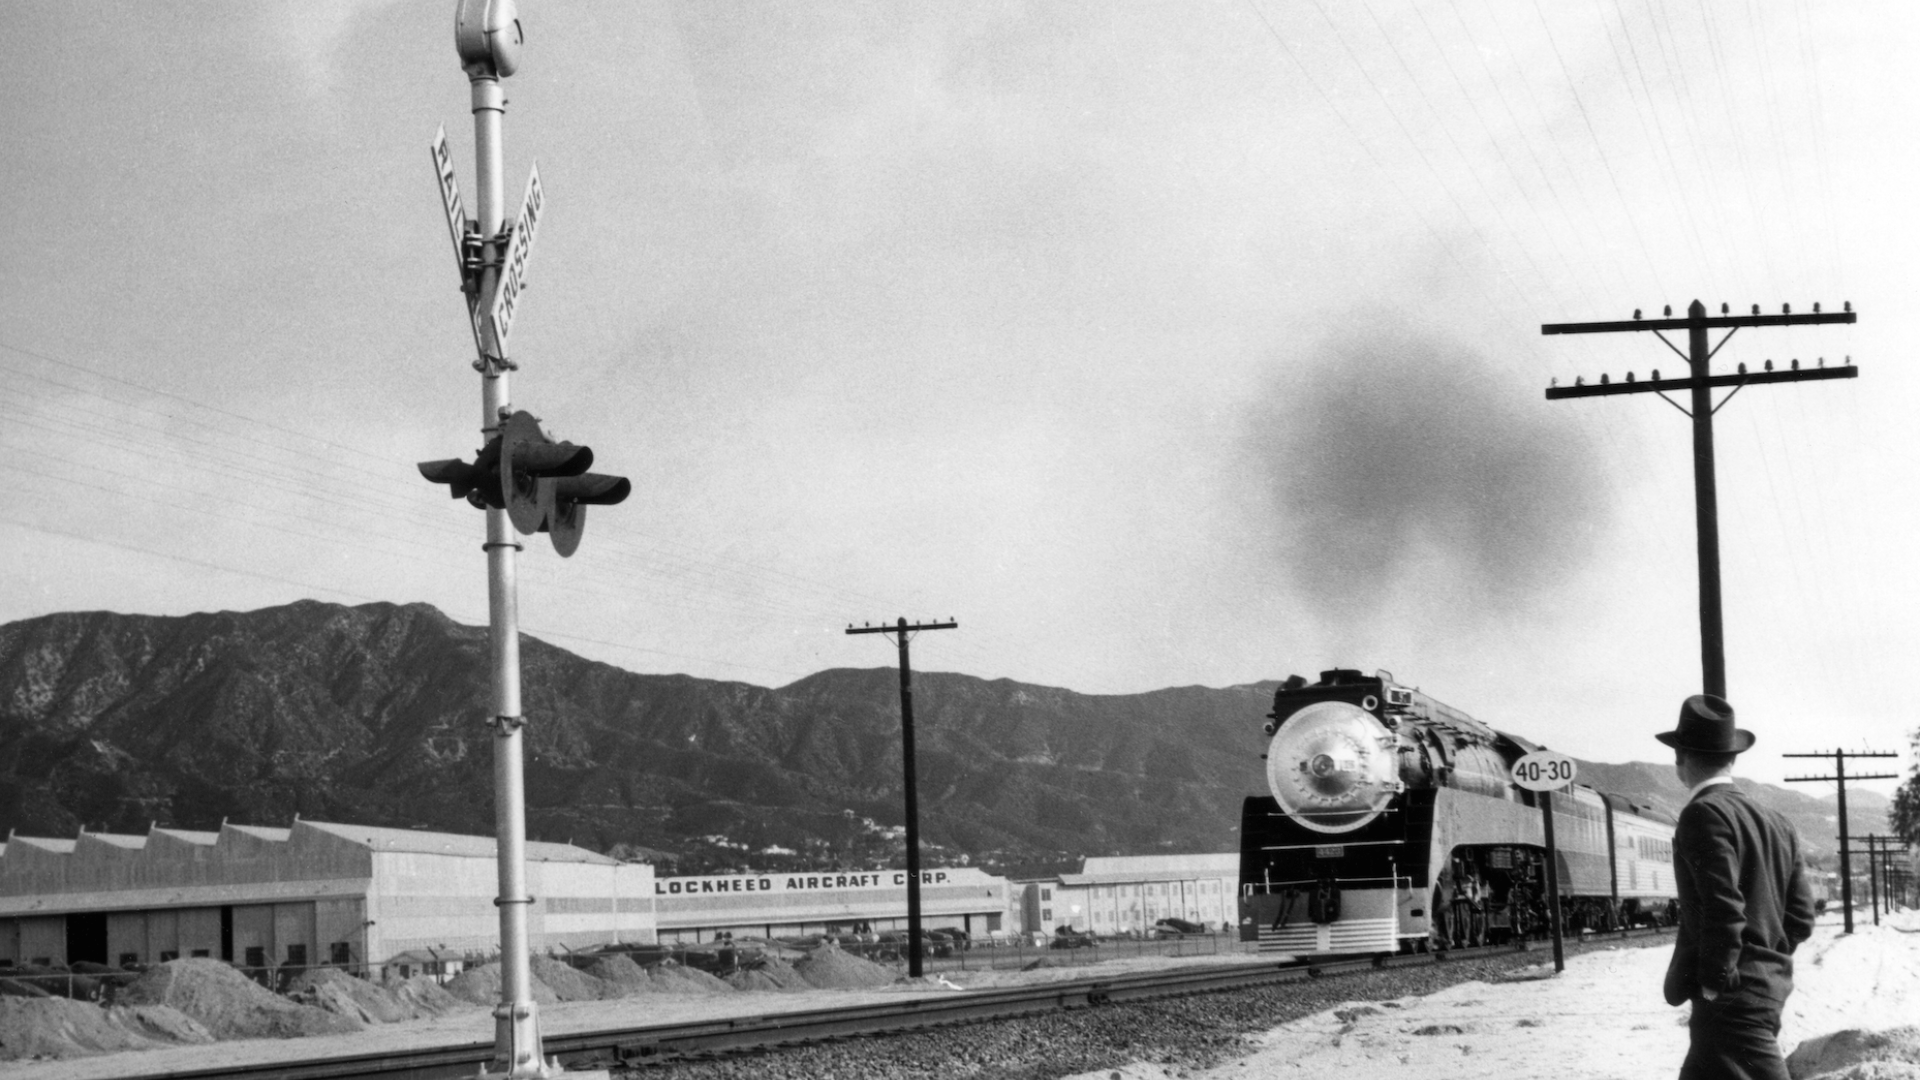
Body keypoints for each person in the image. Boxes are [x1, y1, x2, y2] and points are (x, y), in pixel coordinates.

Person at [1658, 694, 1816, 1080]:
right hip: (1764, 987)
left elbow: (1724, 909)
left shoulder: (1702, 813)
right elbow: (1801, 918)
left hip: (1730, 995)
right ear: (1732, 758)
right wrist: (1765, 958)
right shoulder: (1777, 821)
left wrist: (1716, 983)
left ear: (1682, 758)